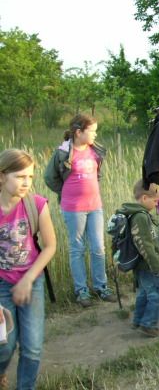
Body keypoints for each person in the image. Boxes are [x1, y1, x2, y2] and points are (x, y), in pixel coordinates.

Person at [44, 114, 116, 307]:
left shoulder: (96, 150)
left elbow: (97, 175)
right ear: (78, 132)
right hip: (73, 208)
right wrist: (66, 192)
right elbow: (50, 178)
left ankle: (101, 287)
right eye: (92, 131)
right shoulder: (63, 152)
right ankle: (81, 291)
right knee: (77, 249)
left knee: (98, 248)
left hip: (95, 206)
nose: (95, 134)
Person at [0, 149, 56, 390]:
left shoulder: (36, 204)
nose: (26, 183)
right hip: (1, 284)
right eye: (19, 176)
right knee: (5, 344)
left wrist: (28, 279)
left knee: (32, 346)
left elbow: (50, 246)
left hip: (32, 282)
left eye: (30, 177)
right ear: (2, 176)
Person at [117, 180, 159, 337]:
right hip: (147, 265)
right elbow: (144, 244)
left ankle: (138, 320)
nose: (157, 204)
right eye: (155, 201)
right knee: (157, 293)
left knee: (144, 293)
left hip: (142, 264)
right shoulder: (140, 217)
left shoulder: (138, 215)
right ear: (144, 198)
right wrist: (155, 265)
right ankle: (148, 324)